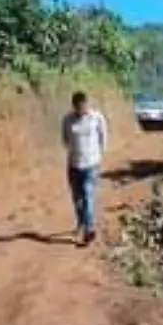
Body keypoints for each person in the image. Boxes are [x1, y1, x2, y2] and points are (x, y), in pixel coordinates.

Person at [61, 90, 109, 246]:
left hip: (92, 164)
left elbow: (103, 136)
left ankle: (89, 229)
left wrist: (100, 153)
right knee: (77, 198)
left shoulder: (96, 117)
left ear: (87, 104)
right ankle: (81, 221)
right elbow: (65, 139)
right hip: (74, 164)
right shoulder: (67, 120)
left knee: (88, 194)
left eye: (83, 105)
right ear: (74, 106)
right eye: (78, 106)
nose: (81, 109)